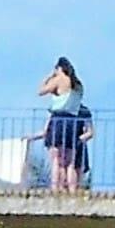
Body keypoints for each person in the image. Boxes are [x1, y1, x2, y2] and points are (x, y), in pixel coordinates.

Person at [35, 59, 94, 191]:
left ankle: (56, 189)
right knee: (70, 163)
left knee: (57, 160)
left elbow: (41, 91)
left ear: (59, 68)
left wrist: (50, 76)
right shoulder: (77, 85)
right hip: (72, 123)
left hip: (59, 120)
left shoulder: (59, 79)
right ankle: (72, 191)